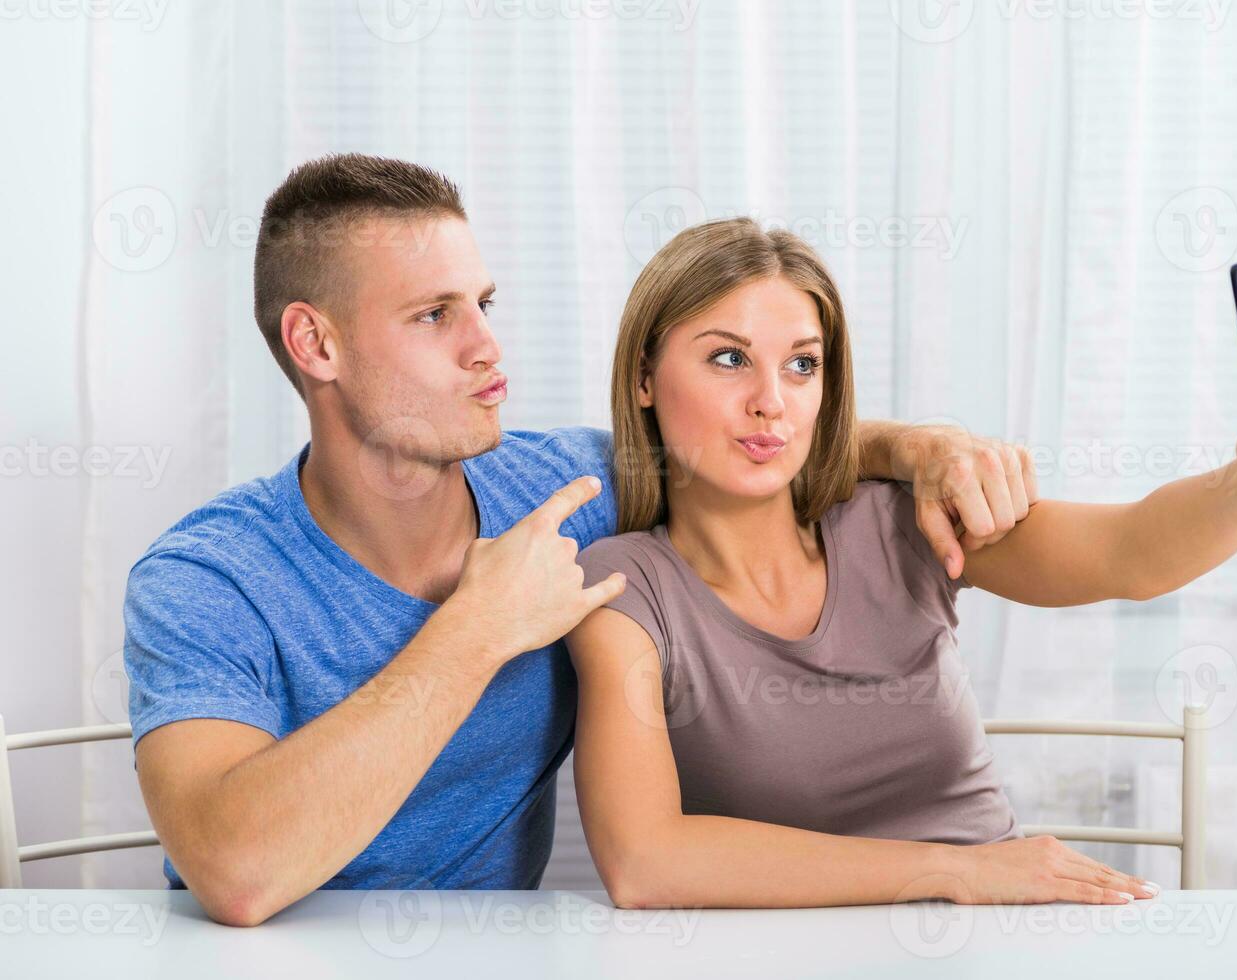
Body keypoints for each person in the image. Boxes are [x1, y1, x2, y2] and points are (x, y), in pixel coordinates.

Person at [122, 155, 1036, 926]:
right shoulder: (206, 578)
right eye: (435, 315)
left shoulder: (573, 492)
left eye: (484, 302)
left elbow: (754, 439)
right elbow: (235, 872)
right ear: (314, 345)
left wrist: (924, 447)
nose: (488, 346)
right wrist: (477, 630)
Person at [569, 217, 1237, 909]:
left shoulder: (901, 520)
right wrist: (956, 872)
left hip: (1001, 936)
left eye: (803, 365)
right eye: (730, 359)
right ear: (643, 377)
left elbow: (1130, 552)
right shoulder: (623, 587)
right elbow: (646, 863)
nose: (772, 400)